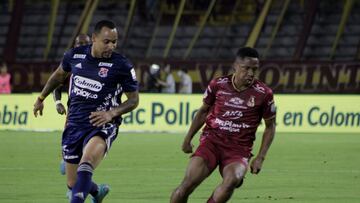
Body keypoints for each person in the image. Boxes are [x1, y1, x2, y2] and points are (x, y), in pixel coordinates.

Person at [33, 20, 139, 203]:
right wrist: (41, 98)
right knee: (73, 182)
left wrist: (111, 113)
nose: (111, 46)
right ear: (94, 38)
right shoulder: (74, 56)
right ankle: (97, 193)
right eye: (107, 41)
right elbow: (58, 77)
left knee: (86, 164)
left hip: (101, 124)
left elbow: (134, 100)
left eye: (114, 42)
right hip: (74, 123)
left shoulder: (122, 65)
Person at [170, 47, 276, 203]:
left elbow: (270, 126)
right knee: (186, 185)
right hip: (211, 143)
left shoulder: (264, 94)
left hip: (238, 149)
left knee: (233, 179)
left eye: (255, 69)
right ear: (235, 66)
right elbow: (203, 111)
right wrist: (188, 138)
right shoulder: (218, 85)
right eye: (246, 68)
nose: (251, 73)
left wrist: (261, 157)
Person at [53, 34, 91, 176]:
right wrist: (58, 102)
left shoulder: (98, 62)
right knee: (71, 141)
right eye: (79, 44)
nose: (82, 46)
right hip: (74, 112)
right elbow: (56, 85)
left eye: (85, 43)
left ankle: (80, 178)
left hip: (94, 112)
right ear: (74, 46)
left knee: (89, 146)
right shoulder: (71, 64)